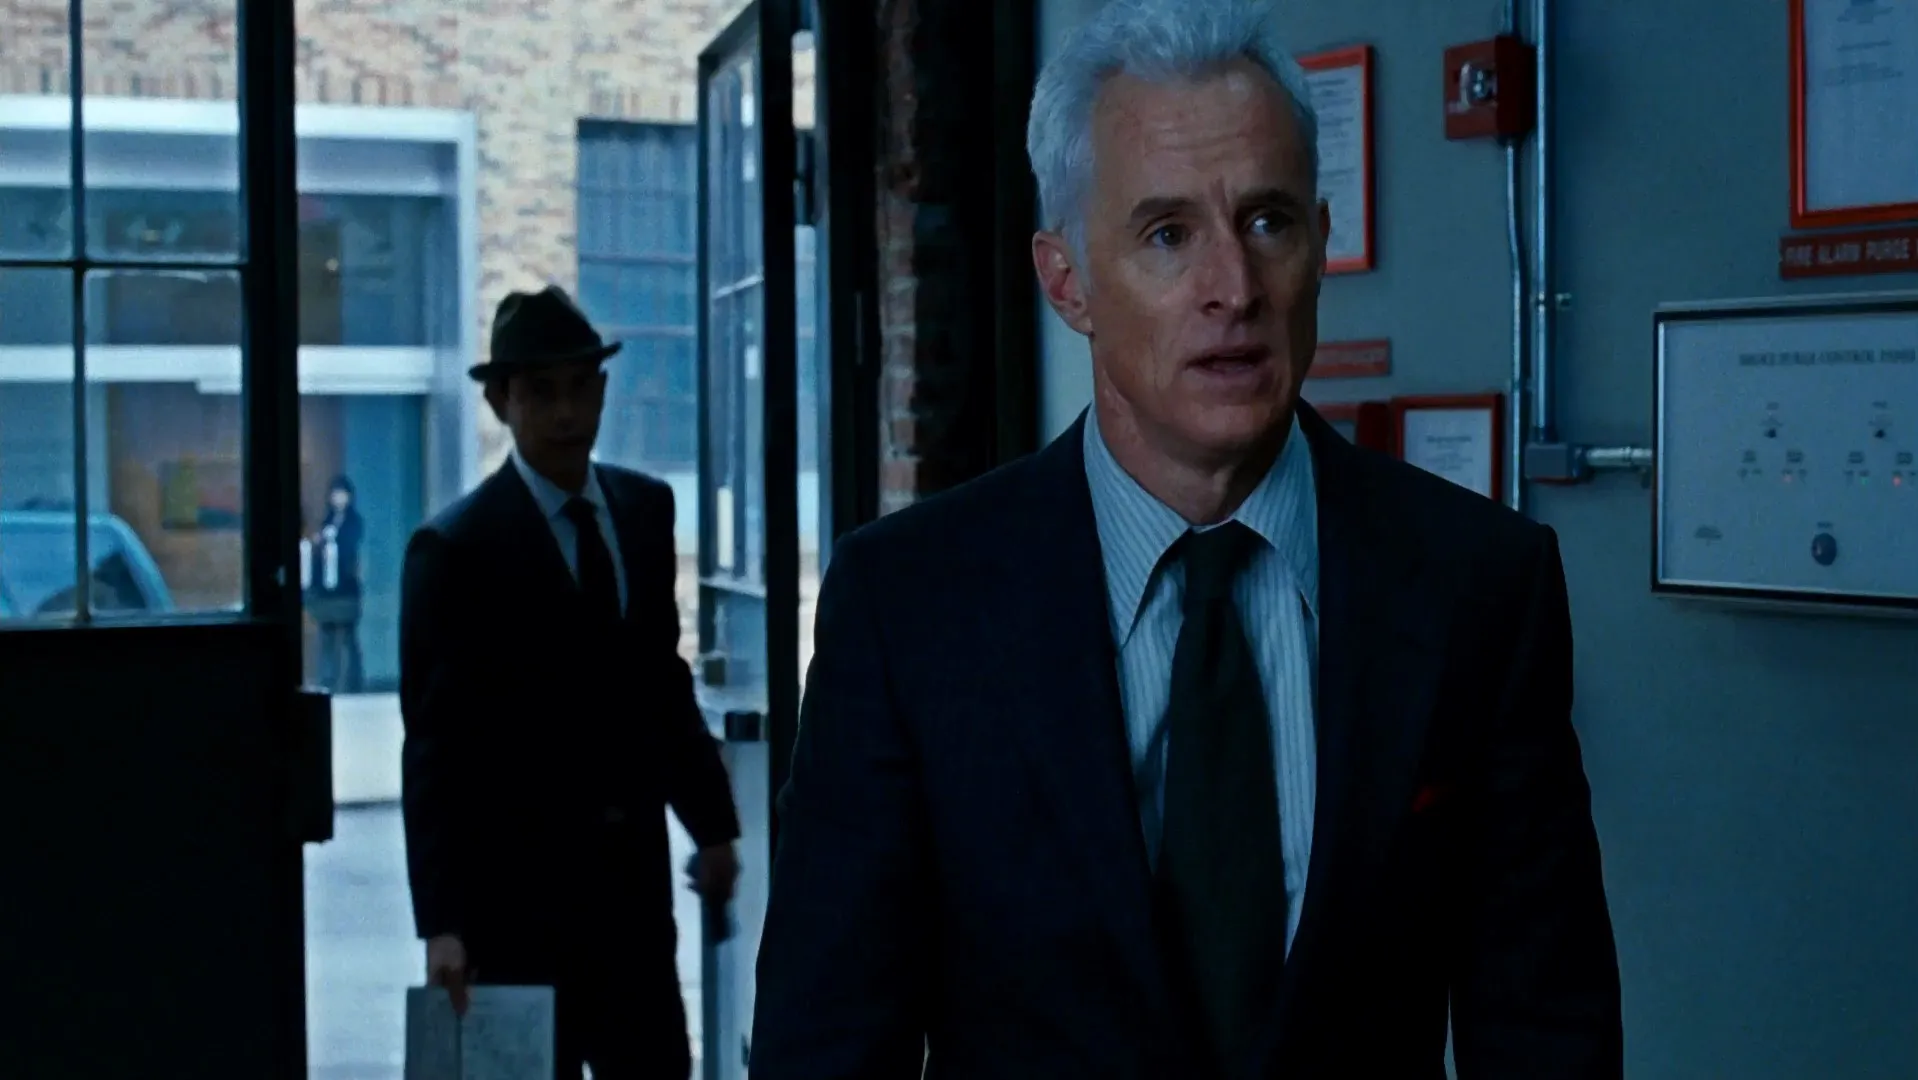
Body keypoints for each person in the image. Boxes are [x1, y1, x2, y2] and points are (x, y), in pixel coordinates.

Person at [748, 1, 1623, 1077]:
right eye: (1168, 235)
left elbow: (1546, 1030)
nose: (1234, 290)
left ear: (1321, 242)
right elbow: (824, 1048)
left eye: (1268, 222)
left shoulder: (1477, 584)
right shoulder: (908, 604)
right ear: (1067, 281)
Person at [399, 284, 742, 1079]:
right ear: (501, 401)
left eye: (581, 388)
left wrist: (713, 828)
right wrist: (442, 924)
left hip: (630, 899)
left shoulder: (643, 510)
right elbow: (436, 752)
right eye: (542, 392)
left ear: (603, 391)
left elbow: (661, 683)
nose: (566, 413)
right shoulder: (456, 549)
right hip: (513, 909)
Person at [307, 474, 365, 693]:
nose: (338, 498)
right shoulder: (326, 522)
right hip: (327, 591)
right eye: (335, 494)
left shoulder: (354, 522)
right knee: (327, 637)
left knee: (349, 637)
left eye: (342, 494)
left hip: (346, 589)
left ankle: (353, 682)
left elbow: (351, 550)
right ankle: (327, 681)